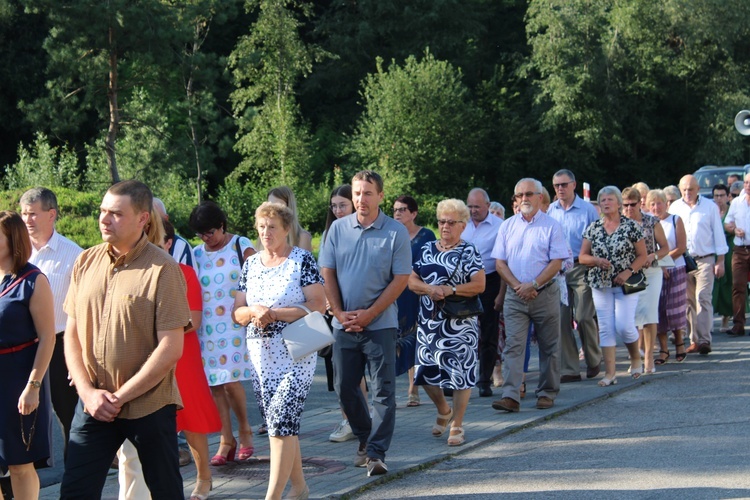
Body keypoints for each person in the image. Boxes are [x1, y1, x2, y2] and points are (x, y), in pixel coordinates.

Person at [59, 180, 190, 498]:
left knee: (165, 491)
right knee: (75, 491)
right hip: (94, 405)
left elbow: (171, 347)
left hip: (148, 404)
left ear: (143, 218)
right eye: (103, 211)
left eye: (116, 213)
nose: (104, 219)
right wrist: (90, 394)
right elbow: (72, 334)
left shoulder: (164, 269)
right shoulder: (85, 261)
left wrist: (119, 397)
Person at [116, 215, 221, 500]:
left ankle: (204, 478)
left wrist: (161, 327)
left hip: (182, 356)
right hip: (146, 355)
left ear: (169, 242)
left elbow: (195, 320)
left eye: (157, 239)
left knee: (191, 419)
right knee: (154, 426)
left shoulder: (185, 272)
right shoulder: (138, 270)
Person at [318, 170, 411, 477]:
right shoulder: (338, 229)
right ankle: (364, 437)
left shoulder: (395, 231)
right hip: (343, 324)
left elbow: (400, 280)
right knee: (346, 388)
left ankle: (376, 453)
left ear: (380, 196)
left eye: (368, 193)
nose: (361, 199)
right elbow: (327, 272)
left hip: (380, 325)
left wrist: (370, 313)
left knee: (383, 391)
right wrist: (338, 311)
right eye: (357, 193)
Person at [233, 201, 326, 500]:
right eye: (261, 226)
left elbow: (317, 305)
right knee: (280, 424)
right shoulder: (250, 264)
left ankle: (271, 497)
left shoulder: (302, 260)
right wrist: (254, 311)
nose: (265, 232)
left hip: (297, 349)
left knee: (280, 424)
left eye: (272, 226)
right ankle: (299, 488)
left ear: (286, 229)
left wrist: (274, 312)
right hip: (262, 354)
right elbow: (237, 312)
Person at [408, 199, 484, 445]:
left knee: (460, 374)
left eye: (451, 222)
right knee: (425, 373)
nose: (445, 227)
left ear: (462, 225)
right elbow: (411, 280)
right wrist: (429, 289)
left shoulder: (469, 250)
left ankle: (458, 425)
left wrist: (450, 289)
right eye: (442, 221)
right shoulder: (427, 249)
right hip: (429, 323)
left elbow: (479, 285)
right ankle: (443, 410)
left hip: (460, 325)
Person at [491, 178, 568, 412]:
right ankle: (511, 395)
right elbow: (500, 263)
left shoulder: (552, 226)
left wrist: (534, 284)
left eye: (529, 194)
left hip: (544, 293)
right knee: (513, 346)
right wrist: (517, 286)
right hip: (516, 296)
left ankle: (546, 392)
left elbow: (557, 262)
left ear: (540, 197)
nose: (524, 199)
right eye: (519, 195)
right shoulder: (507, 226)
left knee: (549, 346)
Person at [190, 201, 256, 464]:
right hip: (207, 327)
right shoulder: (196, 253)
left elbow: (258, 279)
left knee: (230, 381)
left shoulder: (240, 245)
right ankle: (226, 439)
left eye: (210, 232)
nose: (207, 239)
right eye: (202, 234)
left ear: (222, 225)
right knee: (214, 385)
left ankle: (246, 431)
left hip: (234, 324)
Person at [19, 187, 82, 458]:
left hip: (59, 347)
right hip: (20, 347)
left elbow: (85, 310)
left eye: (33, 214)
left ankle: (75, 481)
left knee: (69, 417)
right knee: (20, 416)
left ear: (52, 214)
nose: (27, 220)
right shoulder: (14, 253)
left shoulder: (74, 255)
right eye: (23, 214)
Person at [0, 211, 55, 500]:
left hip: (19, 377)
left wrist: (33, 387)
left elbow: (47, 338)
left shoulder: (33, 280)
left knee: (19, 464)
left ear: (12, 239)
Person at [579, 186, 648, 386]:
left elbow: (642, 255)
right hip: (600, 283)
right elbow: (582, 256)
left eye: (610, 199)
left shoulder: (631, 226)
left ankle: (635, 356)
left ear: (619, 203)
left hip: (627, 283)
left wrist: (628, 271)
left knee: (624, 325)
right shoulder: (594, 228)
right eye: (603, 200)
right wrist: (595, 260)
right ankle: (610, 374)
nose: (606, 203)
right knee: (606, 328)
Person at [320, 185, 367, 444]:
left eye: (343, 205)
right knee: (339, 373)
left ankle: (356, 419)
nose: (338, 210)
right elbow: (323, 273)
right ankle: (349, 418)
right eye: (334, 206)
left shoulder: (357, 232)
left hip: (354, 309)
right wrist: (328, 303)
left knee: (353, 371)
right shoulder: (329, 233)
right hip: (333, 312)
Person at [548, 169, 602, 383]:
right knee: (561, 318)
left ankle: (593, 358)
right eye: (556, 186)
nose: (560, 189)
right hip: (558, 270)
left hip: (581, 267)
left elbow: (598, 241)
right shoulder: (550, 211)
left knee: (583, 316)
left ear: (573, 185)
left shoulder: (588, 210)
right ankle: (569, 368)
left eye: (564, 184)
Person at [668, 175, 728, 355]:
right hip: (683, 259)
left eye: (691, 189)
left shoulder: (709, 207)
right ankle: (694, 340)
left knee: (703, 297)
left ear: (698, 189)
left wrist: (721, 261)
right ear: (680, 189)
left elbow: (718, 233)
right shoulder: (675, 207)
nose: (687, 193)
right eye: (684, 189)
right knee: (688, 301)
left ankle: (704, 340)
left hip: (705, 259)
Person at [393, 195, 436, 408]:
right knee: (399, 337)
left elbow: (432, 264)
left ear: (413, 213)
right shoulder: (391, 234)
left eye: (402, 210)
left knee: (416, 336)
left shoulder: (426, 235)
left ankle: (414, 386)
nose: (398, 213)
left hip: (419, 293)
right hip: (397, 293)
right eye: (395, 210)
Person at [621, 187, 670, 374]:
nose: (628, 208)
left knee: (649, 313)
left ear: (639, 203)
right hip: (630, 273)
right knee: (631, 316)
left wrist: (654, 256)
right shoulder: (619, 224)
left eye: (632, 204)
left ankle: (649, 357)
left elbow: (665, 247)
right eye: (625, 205)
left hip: (650, 272)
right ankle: (635, 357)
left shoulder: (651, 221)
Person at [461, 188, 503, 397]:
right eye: (470, 206)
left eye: (477, 206)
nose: (473, 210)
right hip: (463, 281)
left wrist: (500, 294)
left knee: (488, 332)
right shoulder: (461, 223)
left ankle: (484, 379)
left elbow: (503, 260)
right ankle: (458, 380)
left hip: (490, 280)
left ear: (487, 205)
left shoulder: (500, 226)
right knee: (462, 332)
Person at [648, 189, 688, 363]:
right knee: (659, 309)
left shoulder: (675, 220)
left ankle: (679, 342)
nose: (656, 207)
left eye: (659, 203)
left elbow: (681, 247)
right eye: (652, 204)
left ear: (666, 203)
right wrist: (658, 265)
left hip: (676, 268)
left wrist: (663, 262)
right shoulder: (647, 223)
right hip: (655, 271)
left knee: (675, 308)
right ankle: (663, 349)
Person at [724, 174, 750, 337]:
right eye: (746, 182)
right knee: (737, 286)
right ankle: (738, 324)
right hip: (740, 250)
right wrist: (734, 230)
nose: (747, 185)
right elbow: (727, 223)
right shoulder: (736, 203)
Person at [710, 184, 733, 332]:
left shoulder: (732, 211)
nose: (719, 199)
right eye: (716, 195)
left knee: (727, 282)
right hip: (712, 250)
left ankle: (726, 317)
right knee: (712, 285)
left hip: (730, 248)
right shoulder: (710, 211)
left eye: (722, 195)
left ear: (728, 196)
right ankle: (708, 320)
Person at [265, 186, 313, 252]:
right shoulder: (264, 235)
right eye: (270, 206)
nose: (273, 211)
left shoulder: (302, 237)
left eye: (278, 207)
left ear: (289, 208)